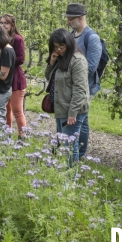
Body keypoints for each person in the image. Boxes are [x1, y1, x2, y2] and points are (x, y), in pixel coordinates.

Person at [45, 28, 90, 165]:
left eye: (61, 46)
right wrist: (51, 63)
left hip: (72, 110)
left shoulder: (77, 61)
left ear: (69, 43)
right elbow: (51, 78)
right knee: (64, 143)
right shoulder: (61, 59)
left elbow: (80, 89)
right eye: (55, 47)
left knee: (70, 146)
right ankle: (65, 174)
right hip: (60, 107)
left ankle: (71, 178)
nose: (58, 50)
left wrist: (72, 113)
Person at [64, 3, 102, 159]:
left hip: (85, 87)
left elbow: (91, 67)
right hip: (72, 84)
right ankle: (80, 151)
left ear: (80, 18)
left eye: (70, 19)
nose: (68, 22)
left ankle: (77, 153)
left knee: (78, 119)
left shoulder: (91, 38)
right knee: (83, 120)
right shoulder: (72, 35)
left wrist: (72, 76)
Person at [0, 14, 28, 138]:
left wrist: (6, 60)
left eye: (6, 23)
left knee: (17, 111)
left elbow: (21, 59)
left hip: (15, 78)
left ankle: (22, 136)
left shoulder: (17, 39)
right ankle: (7, 135)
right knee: (6, 110)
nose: (3, 25)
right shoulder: (1, 39)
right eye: (1, 23)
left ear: (12, 25)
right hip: (5, 77)